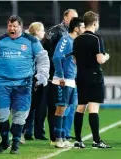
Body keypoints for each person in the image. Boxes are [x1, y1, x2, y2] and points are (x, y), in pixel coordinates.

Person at [0, 15, 50, 154]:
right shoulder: (0, 40)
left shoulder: (31, 40)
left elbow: (42, 58)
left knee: (20, 114)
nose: (12, 28)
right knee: (1, 114)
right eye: (10, 26)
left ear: (21, 27)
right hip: (3, 83)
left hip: (24, 84)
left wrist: (42, 75)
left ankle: (16, 142)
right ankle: (5, 141)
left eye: (15, 26)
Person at [73, 11, 111, 148]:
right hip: (94, 75)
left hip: (81, 75)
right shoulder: (96, 38)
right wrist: (106, 56)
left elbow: (75, 60)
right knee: (93, 107)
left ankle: (78, 140)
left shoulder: (77, 39)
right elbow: (100, 59)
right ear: (95, 22)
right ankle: (96, 141)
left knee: (80, 107)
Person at [42, 9, 78, 144]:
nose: (75, 21)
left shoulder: (74, 35)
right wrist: (55, 71)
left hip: (69, 75)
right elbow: (45, 51)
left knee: (69, 105)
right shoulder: (55, 31)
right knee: (56, 106)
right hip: (56, 75)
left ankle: (64, 134)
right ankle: (55, 136)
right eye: (72, 18)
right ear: (65, 17)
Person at [52, 17, 85, 148]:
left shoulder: (76, 42)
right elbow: (56, 57)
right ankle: (58, 138)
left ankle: (64, 137)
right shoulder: (65, 39)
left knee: (67, 109)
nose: (83, 29)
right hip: (63, 80)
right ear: (76, 28)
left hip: (71, 80)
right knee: (61, 109)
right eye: (82, 27)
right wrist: (61, 76)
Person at [23, 22, 48, 140]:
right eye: (42, 30)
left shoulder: (27, 41)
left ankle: (26, 131)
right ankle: (22, 131)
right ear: (37, 32)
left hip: (28, 77)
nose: (44, 32)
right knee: (29, 106)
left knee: (30, 106)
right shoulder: (34, 43)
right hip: (30, 78)